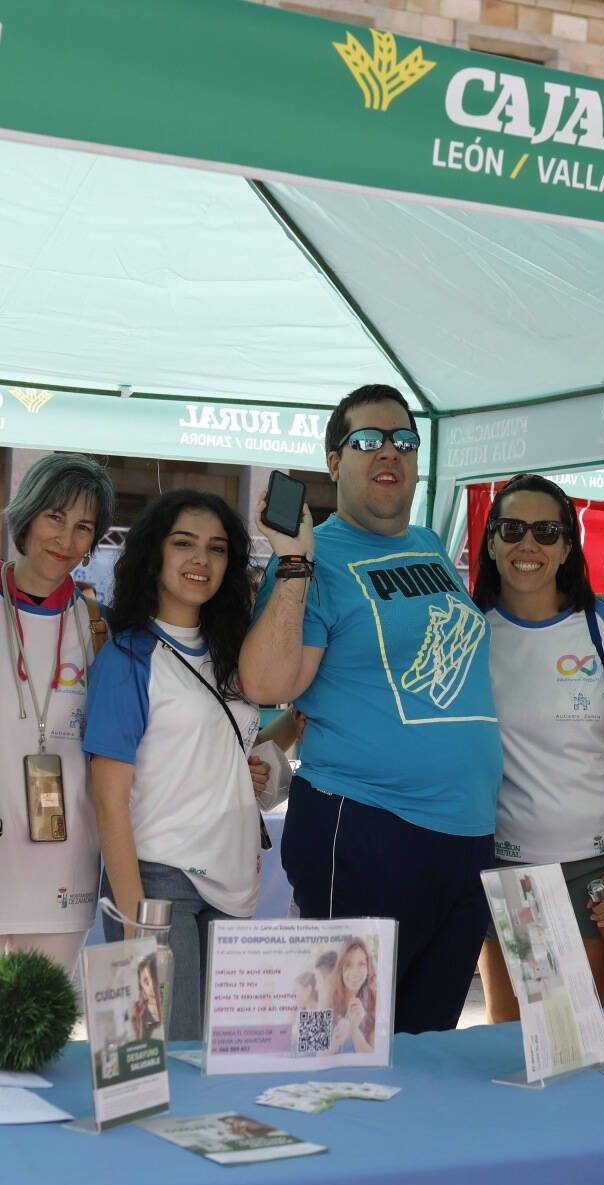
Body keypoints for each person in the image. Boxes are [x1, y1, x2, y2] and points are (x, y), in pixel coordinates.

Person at [241, 385, 501, 1035]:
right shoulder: (315, 558)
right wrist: (293, 561)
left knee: (428, 1047)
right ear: (334, 462)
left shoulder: (430, 545)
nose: (389, 451)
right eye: (367, 440)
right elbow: (269, 681)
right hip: (364, 830)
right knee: (340, 1044)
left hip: (465, 837)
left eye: (404, 440)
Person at [0, 454, 115, 1038]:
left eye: (84, 527)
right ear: (27, 517)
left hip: (66, 863)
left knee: (37, 1040)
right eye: (55, 518)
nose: (65, 538)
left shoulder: (94, 622)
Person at [87, 489, 264, 1041]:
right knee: (165, 1055)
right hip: (159, 877)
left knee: (220, 1059)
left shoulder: (239, 653)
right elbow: (108, 798)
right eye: (183, 543)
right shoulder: (128, 657)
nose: (200, 561)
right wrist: (136, 921)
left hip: (235, 882)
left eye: (216, 549)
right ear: (153, 554)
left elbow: (224, 745)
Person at [472, 474, 604, 1018]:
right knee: (515, 1037)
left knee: (577, 1039)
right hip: (507, 864)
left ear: (568, 546)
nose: (529, 544)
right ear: (493, 542)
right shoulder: (469, 630)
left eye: (546, 531)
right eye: (513, 529)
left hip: (596, 870)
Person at [323, 937, 377, 1055]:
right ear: (340, 968)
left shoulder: (373, 999)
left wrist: (353, 1029)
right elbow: (318, 1055)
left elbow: (372, 1057)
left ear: (368, 968)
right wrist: (335, 1044)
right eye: (348, 964)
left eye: (361, 964)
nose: (354, 972)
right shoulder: (328, 994)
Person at [129, 955, 164, 1041]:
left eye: (155, 978)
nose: (152, 986)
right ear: (142, 990)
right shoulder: (147, 1022)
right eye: (146, 981)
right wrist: (136, 1033)